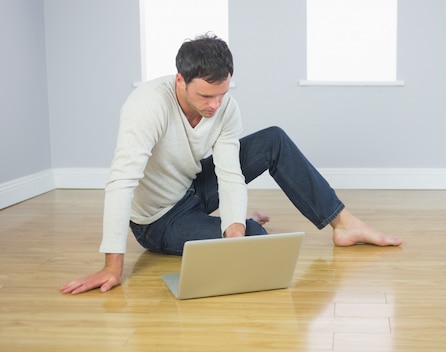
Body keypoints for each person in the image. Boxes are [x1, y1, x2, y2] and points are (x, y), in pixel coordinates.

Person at [60, 34, 402, 295]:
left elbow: (229, 172)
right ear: (180, 80)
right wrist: (112, 266)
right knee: (256, 240)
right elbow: (121, 182)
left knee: (273, 140)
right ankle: (233, 223)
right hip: (158, 220)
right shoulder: (147, 106)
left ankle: (343, 224)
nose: (215, 104)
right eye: (205, 96)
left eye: (222, 93)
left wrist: (233, 224)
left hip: (192, 187)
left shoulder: (224, 106)